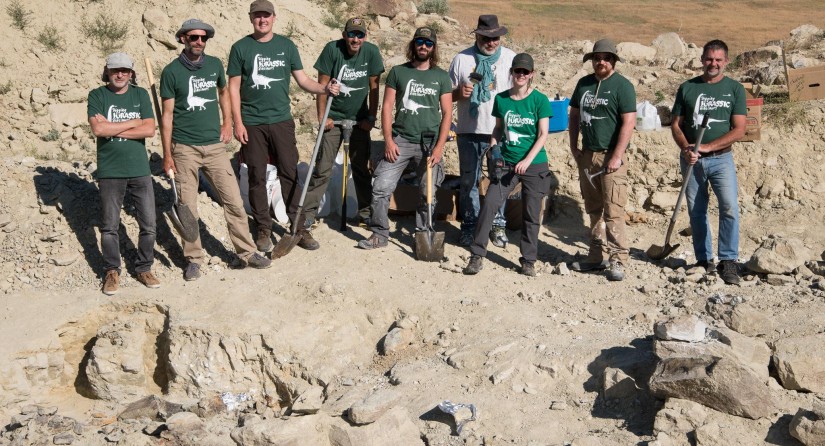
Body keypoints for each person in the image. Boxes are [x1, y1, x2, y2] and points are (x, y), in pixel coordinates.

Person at [160, 19, 272, 281]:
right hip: (184, 147)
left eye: (203, 38)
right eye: (193, 37)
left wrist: (228, 121)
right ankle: (194, 259)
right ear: (183, 39)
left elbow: (224, 92)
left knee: (233, 199)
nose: (199, 42)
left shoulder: (214, 65)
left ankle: (246, 252)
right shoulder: (171, 72)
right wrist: (167, 155)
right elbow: (166, 116)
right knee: (188, 207)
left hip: (214, 145)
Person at [228, 0, 339, 252]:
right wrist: (238, 122)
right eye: (257, 16)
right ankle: (264, 227)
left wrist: (324, 88)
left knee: (289, 171)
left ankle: (298, 227)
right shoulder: (240, 48)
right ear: (251, 18)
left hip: (281, 121)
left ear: (274, 18)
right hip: (253, 123)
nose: (262, 20)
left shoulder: (286, 46)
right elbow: (233, 88)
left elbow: (302, 80)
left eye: (266, 15)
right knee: (256, 175)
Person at [357, 27, 452, 250]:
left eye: (428, 43)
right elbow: (387, 106)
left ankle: (423, 232)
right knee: (381, 187)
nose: (423, 46)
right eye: (420, 41)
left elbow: (447, 113)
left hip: (429, 144)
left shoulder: (441, 76)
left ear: (433, 48)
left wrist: (439, 148)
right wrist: (388, 140)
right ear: (413, 44)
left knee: (428, 190)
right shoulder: (398, 72)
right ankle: (379, 233)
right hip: (400, 140)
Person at [463, 53, 551, 276]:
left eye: (525, 71)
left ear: (531, 74)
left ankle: (528, 260)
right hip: (507, 163)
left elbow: (543, 135)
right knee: (490, 204)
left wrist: (527, 161)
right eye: (517, 71)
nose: (520, 75)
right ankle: (477, 254)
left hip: (534, 164)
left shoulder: (539, 100)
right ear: (511, 72)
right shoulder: (501, 99)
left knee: (530, 213)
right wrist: (493, 149)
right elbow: (498, 128)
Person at [299, 17, 384, 249]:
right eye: (351, 34)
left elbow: (374, 87)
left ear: (365, 36)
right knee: (322, 169)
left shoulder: (371, 53)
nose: (355, 39)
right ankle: (307, 216)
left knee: (360, 168)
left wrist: (371, 118)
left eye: (360, 35)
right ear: (344, 34)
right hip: (333, 118)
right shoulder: (332, 49)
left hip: (360, 120)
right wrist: (323, 117)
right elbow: (322, 84)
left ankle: (366, 212)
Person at [671, 39, 746, 285]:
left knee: (729, 209)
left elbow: (739, 129)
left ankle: (728, 261)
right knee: (697, 212)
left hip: (721, 159)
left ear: (725, 62)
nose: (713, 63)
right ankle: (703, 260)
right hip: (692, 161)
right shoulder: (687, 88)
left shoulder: (734, 89)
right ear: (702, 59)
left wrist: (706, 147)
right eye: (709, 59)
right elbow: (676, 125)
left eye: (718, 60)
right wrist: (686, 148)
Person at [87, 52, 159, 295]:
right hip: (110, 171)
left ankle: (144, 267)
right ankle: (111, 271)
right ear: (107, 71)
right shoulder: (97, 95)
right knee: (109, 226)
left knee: (148, 224)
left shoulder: (140, 94)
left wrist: (112, 127)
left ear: (131, 73)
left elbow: (150, 130)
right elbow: (98, 129)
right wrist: (134, 122)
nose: (120, 74)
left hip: (140, 170)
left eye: (125, 71)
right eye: (115, 70)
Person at [568, 39, 636, 282]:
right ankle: (596, 256)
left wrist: (617, 155)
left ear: (614, 61)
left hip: (610, 156)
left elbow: (629, 122)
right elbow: (574, 115)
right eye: (597, 58)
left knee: (613, 209)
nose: (601, 62)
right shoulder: (583, 84)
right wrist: (574, 146)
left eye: (606, 58)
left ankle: (618, 259)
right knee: (593, 207)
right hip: (588, 155)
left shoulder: (622, 86)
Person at [449, 14, 515, 248]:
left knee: (499, 180)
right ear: (477, 35)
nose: (491, 42)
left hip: (500, 132)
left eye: (495, 38)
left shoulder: (510, 59)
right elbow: (446, 98)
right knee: (469, 181)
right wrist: (459, 93)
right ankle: (470, 225)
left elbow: (518, 94)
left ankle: (497, 225)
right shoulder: (461, 59)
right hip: (469, 130)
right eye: (486, 37)